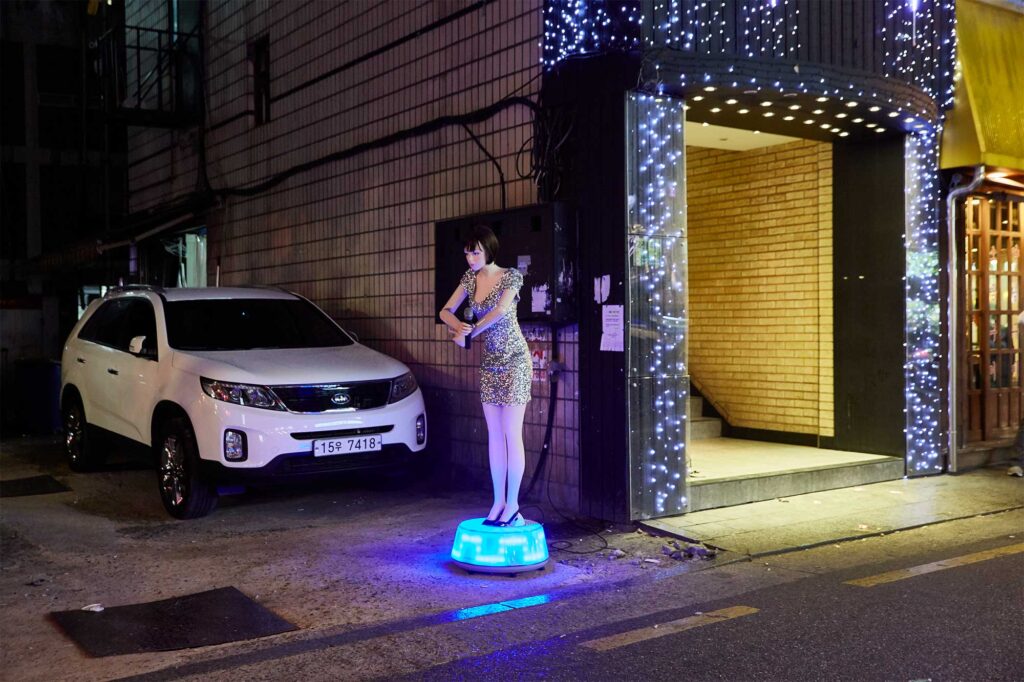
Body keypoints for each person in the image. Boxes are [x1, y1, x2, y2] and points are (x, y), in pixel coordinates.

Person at [439, 225, 533, 525]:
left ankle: (513, 505)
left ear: (489, 251)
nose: (471, 259)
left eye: (476, 253)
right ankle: (498, 502)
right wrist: (458, 326)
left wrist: (470, 332)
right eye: (467, 253)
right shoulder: (469, 278)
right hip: (490, 361)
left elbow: (501, 310)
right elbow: (445, 310)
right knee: (494, 435)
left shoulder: (511, 276)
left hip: (515, 360)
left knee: (511, 433)